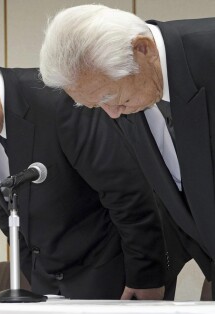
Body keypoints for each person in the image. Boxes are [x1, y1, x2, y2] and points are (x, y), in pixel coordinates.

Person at [0, 58, 172, 300]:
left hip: (111, 273)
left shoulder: (56, 99)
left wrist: (146, 275)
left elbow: (125, 190)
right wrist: (35, 275)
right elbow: (4, 207)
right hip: (46, 286)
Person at [39, 4, 215, 298]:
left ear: (142, 49)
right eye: (96, 105)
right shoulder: (132, 94)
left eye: (110, 97)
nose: (111, 114)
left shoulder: (206, 50)